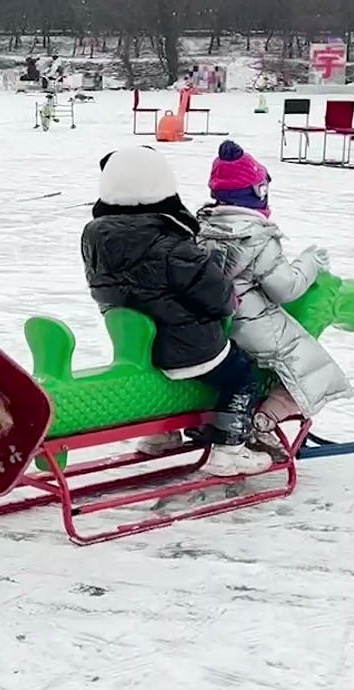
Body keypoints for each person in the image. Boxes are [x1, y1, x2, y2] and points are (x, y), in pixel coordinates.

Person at [80, 145, 273, 478]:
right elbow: (217, 297)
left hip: (137, 348)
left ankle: (159, 433)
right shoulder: (171, 242)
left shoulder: (94, 236)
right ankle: (229, 449)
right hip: (188, 345)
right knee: (241, 374)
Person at [198, 141, 353, 462]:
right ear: (258, 194)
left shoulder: (202, 229)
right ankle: (263, 420)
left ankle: (255, 417)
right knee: (316, 371)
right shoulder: (257, 236)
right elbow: (286, 288)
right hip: (255, 328)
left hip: (215, 328)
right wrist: (309, 263)